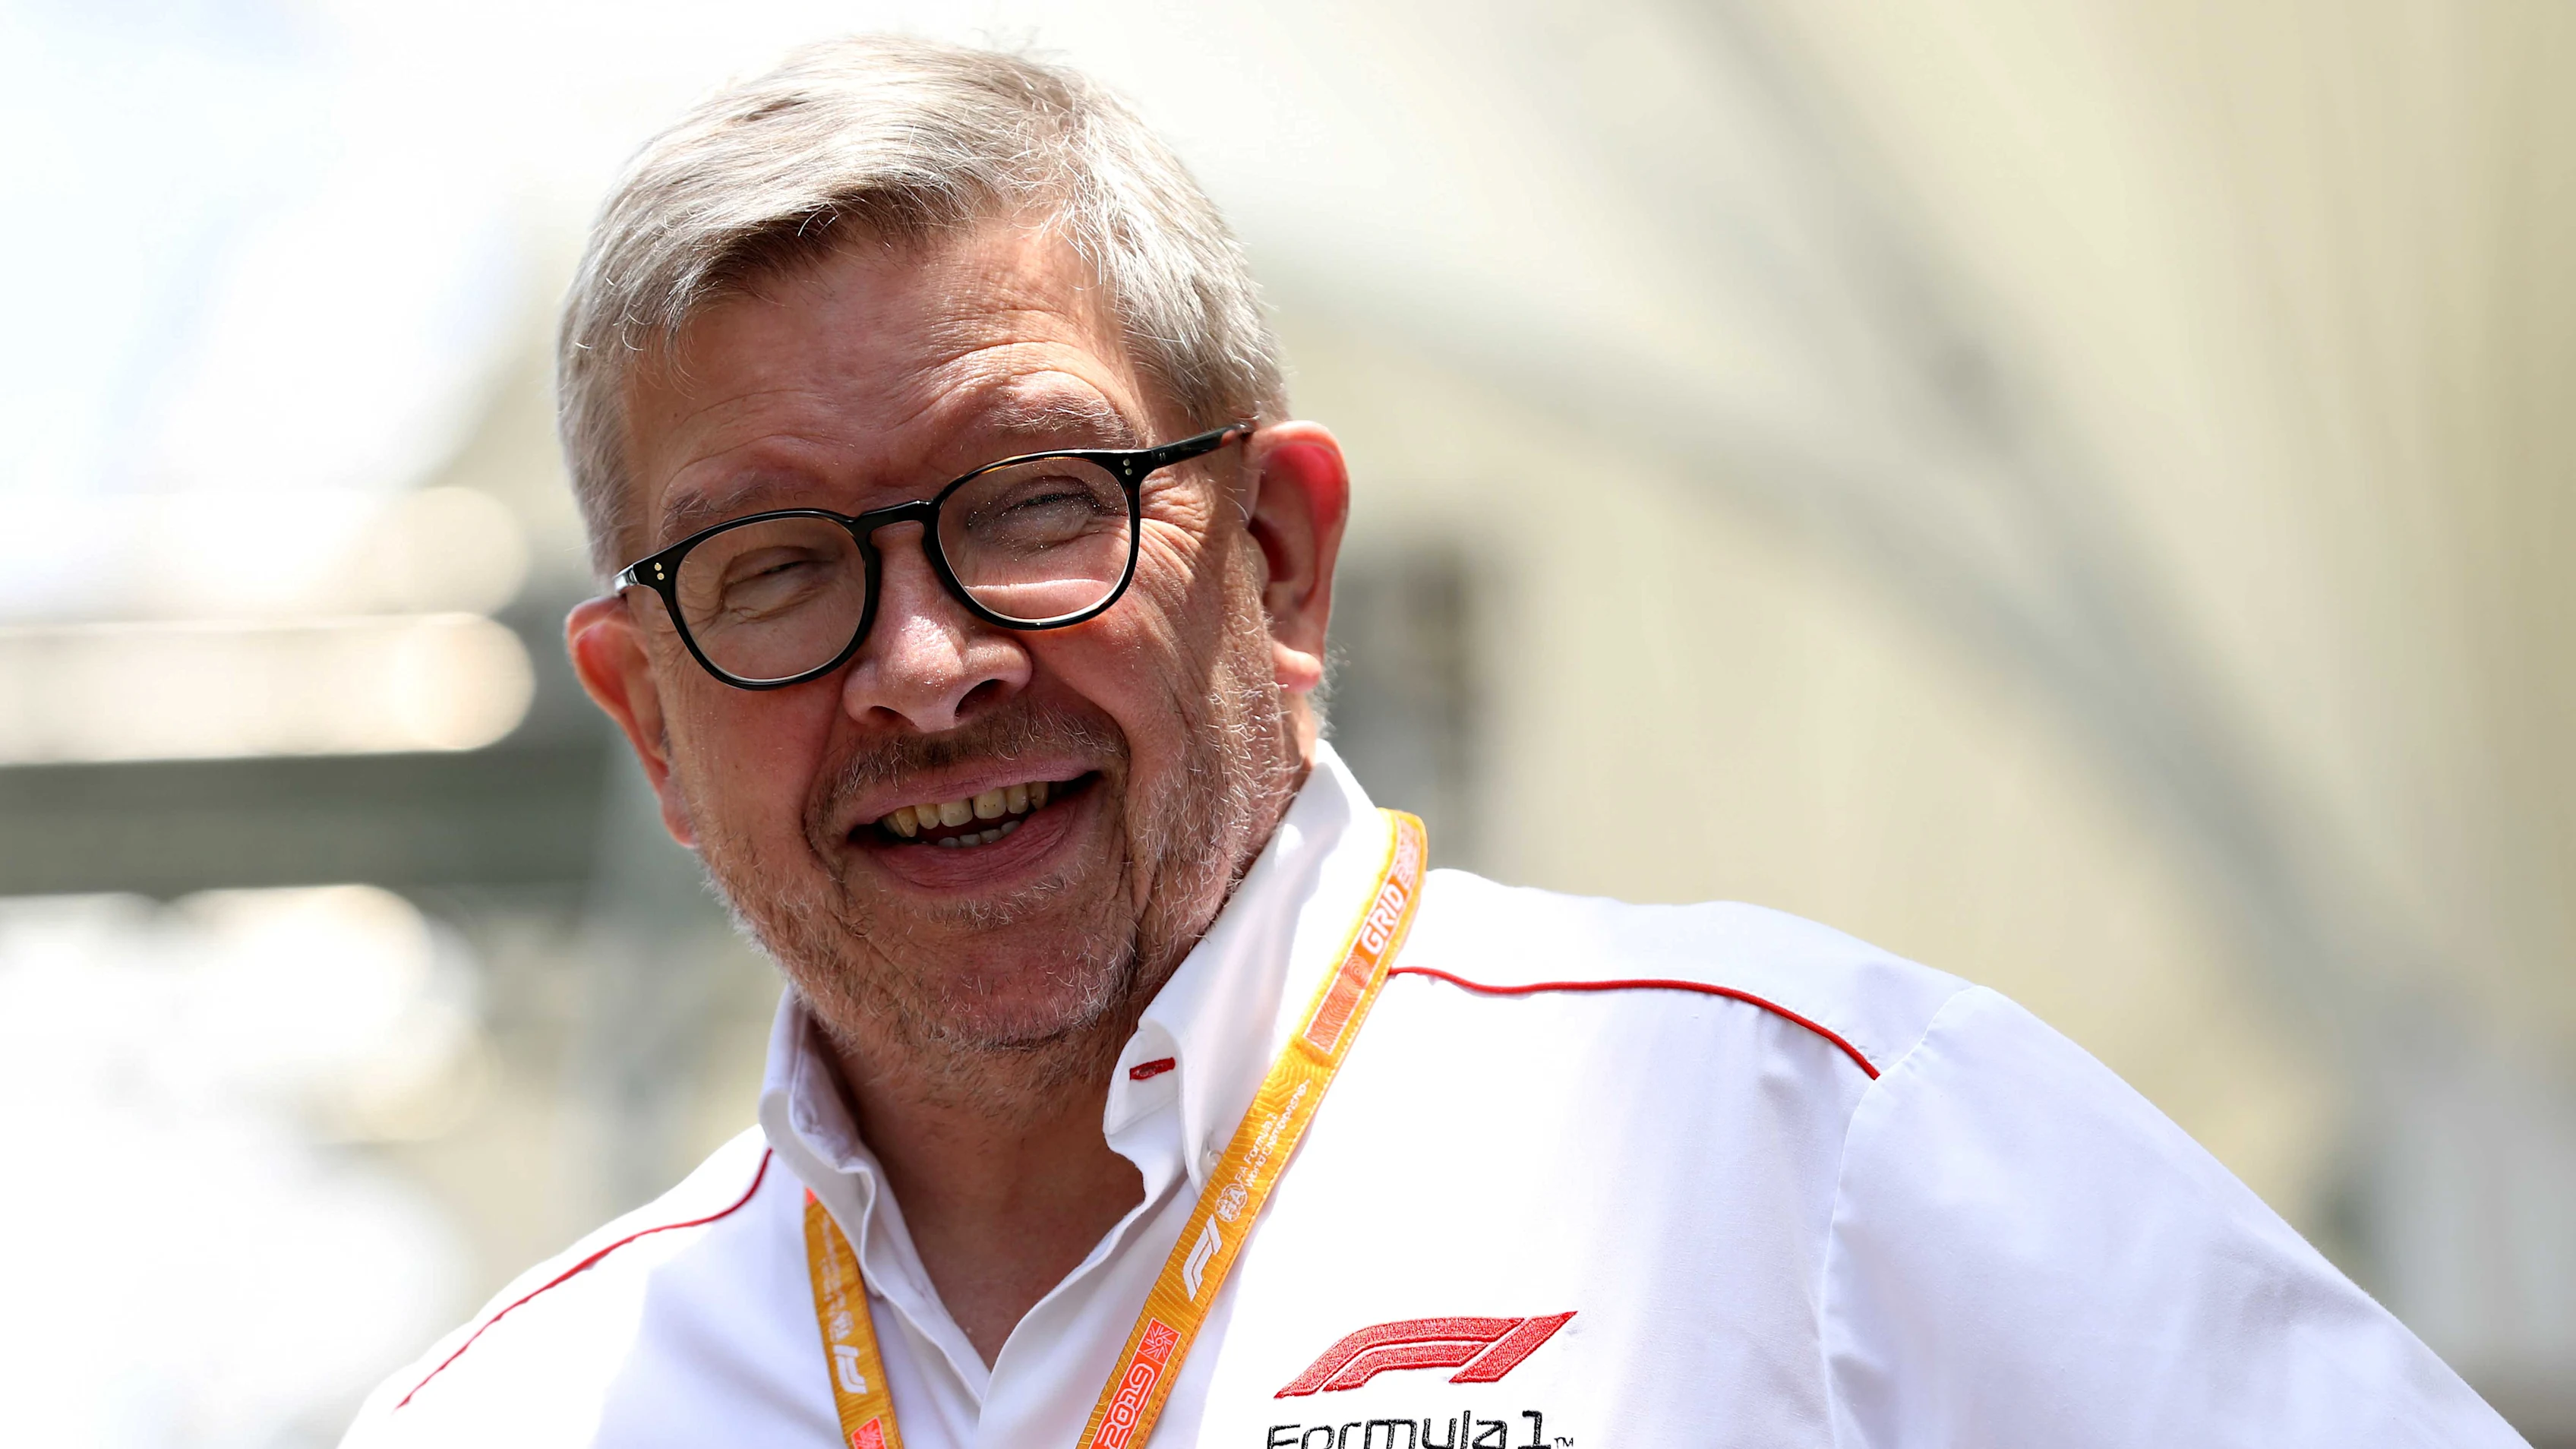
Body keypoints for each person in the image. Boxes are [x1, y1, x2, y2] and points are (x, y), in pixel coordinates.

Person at [342, 35, 2522, 1449]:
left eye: (1029, 503)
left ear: (1280, 562)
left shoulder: (1812, 1148)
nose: (922, 660)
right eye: (776, 571)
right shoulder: (505, 1414)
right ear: (643, 716)